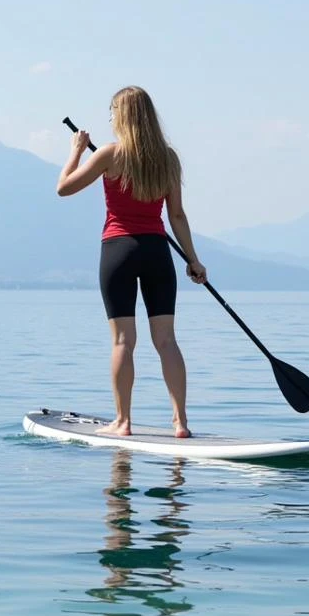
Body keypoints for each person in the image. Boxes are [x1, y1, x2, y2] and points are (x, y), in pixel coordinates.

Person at [56, 86, 206, 438]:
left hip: (118, 251)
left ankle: (123, 422)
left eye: (112, 112)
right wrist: (193, 260)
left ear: (122, 116)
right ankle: (180, 423)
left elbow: (63, 188)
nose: (109, 119)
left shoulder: (108, 155)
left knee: (124, 341)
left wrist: (76, 152)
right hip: (157, 251)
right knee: (166, 340)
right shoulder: (168, 159)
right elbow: (178, 215)